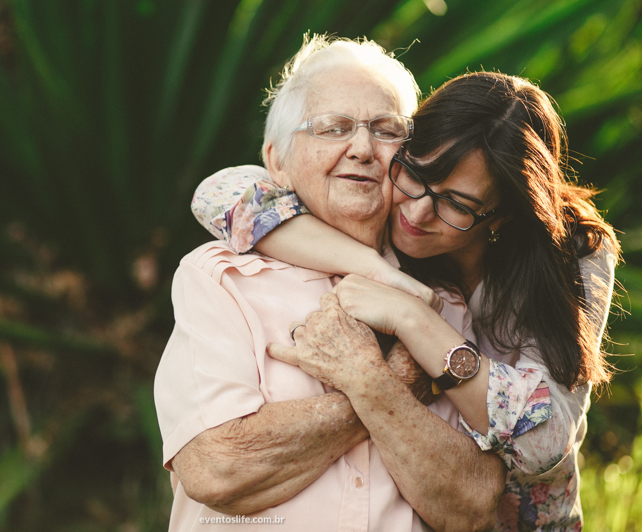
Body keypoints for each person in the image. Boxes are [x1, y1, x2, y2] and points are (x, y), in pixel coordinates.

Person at [191, 71, 618, 531]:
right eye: (415, 175)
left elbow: (544, 440)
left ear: (503, 215)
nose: (416, 213)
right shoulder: (378, 228)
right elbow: (219, 194)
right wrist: (377, 271)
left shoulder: (573, 254)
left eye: (457, 205)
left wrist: (414, 318)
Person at [155, 36, 506, 531]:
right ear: (277, 162)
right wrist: (391, 386)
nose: (361, 149)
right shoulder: (220, 278)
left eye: (386, 130)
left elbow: (473, 505)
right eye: (332, 128)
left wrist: (366, 381)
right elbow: (218, 469)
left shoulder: (439, 301)